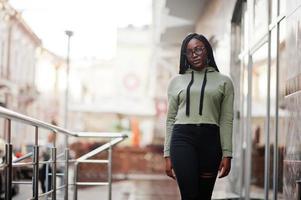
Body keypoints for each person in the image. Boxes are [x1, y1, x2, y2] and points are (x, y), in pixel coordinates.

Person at [163, 33, 234, 200]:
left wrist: (227, 153)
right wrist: (167, 154)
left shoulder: (224, 82)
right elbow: (170, 119)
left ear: (207, 51)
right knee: (189, 195)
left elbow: (226, 119)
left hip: (211, 141)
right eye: (189, 52)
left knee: (204, 196)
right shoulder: (176, 81)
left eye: (198, 49)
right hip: (182, 139)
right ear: (185, 56)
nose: (194, 55)